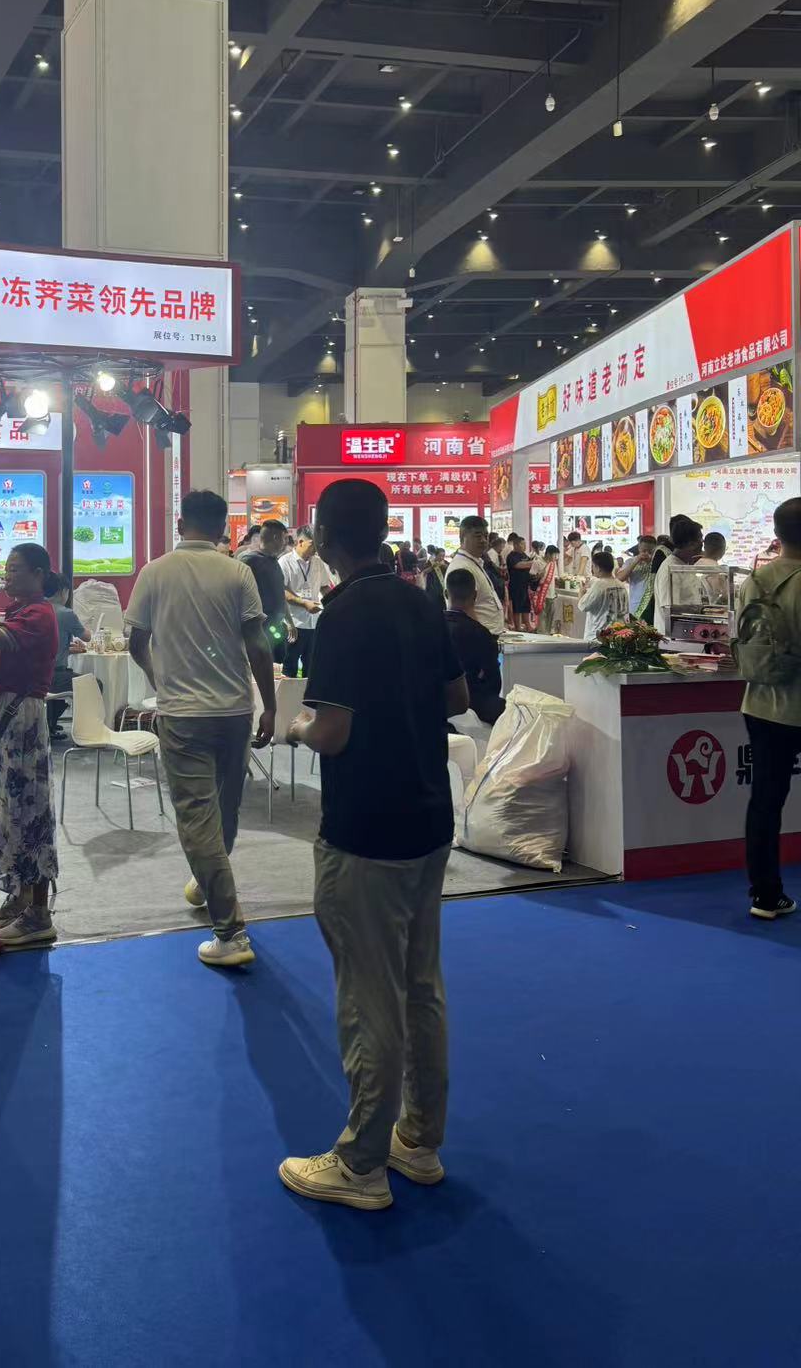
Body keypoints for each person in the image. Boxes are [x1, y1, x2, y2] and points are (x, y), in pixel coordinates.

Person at [280, 479, 468, 1210]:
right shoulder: (420, 600)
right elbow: (456, 698)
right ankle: (418, 1140)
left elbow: (332, 732)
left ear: (326, 539)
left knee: (368, 997)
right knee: (421, 986)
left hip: (365, 826)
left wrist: (297, 726)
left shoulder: (342, 615)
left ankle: (361, 1162)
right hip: (428, 818)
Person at [127, 489, 275, 968]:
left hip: (183, 715)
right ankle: (207, 878)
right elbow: (258, 644)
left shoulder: (154, 572)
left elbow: (136, 642)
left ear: (180, 523)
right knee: (225, 811)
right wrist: (270, 706)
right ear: (223, 528)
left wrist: (157, 677)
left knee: (196, 818)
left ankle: (230, 932)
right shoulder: (237, 572)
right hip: (234, 712)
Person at [0, 543, 60, 947]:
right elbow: (10, 656)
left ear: (39, 574)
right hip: (8, 717)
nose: (8, 575)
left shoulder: (39, 613)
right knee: (8, 810)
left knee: (28, 812)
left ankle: (38, 914)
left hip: (22, 724)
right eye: (7, 568)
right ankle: (19, 899)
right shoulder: (22, 611)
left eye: (16, 569)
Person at [738, 497, 801, 920]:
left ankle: (765, 894)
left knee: (765, 801)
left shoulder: (754, 580)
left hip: (760, 704)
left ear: (776, 535)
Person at [443, 569, 504, 727]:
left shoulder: (428, 627)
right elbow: (494, 684)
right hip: (474, 706)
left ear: (446, 593)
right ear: (475, 595)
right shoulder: (482, 634)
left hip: (434, 705)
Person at [280, 526, 329, 677]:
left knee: (311, 667)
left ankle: (306, 692)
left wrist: (334, 601)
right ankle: (288, 693)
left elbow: (324, 587)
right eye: (312, 545)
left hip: (314, 622)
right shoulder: (285, 562)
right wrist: (304, 603)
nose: (315, 549)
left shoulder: (318, 563)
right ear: (300, 542)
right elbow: (282, 591)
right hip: (293, 623)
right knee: (290, 667)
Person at [242, 518, 294, 658]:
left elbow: (280, 594)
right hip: (259, 629)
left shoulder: (274, 562)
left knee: (278, 664)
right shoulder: (248, 561)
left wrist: (289, 621)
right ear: (276, 538)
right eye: (284, 538)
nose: (286, 543)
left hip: (277, 627)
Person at [448, 515, 505, 638]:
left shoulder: (474, 562)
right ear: (463, 537)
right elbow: (462, 610)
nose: (483, 540)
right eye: (478, 536)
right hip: (476, 638)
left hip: (486, 636)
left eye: (486, 536)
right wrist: (479, 638)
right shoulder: (462, 567)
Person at [44, 573, 85, 740]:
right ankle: (85, 732)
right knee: (93, 684)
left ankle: (49, 724)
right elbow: (87, 636)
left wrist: (67, 649)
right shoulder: (65, 613)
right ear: (63, 591)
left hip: (36, 674)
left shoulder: (37, 609)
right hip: (53, 675)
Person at [652, 515, 704, 638]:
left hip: (688, 634)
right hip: (672, 637)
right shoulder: (670, 569)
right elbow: (669, 608)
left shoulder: (684, 565)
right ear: (691, 544)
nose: (702, 544)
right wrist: (700, 610)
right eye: (700, 540)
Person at [578, 548, 629, 642]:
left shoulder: (599, 585)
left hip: (598, 637)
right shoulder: (621, 585)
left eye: (593, 566)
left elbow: (583, 606)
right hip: (618, 636)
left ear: (598, 568)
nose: (592, 569)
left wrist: (581, 591)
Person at [617, 536, 656, 616]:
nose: (647, 554)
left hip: (653, 606)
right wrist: (635, 562)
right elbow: (619, 578)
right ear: (639, 548)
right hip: (635, 606)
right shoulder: (630, 561)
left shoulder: (657, 562)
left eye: (650, 552)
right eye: (644, 551)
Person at [506, 535, 534, 631]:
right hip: (516, 586)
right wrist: (532, 563)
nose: (525, 546)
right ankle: (517, 627)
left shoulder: (525, 555)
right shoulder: (512, 556)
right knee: (517, 607)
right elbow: (518, 565)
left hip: (525, 585)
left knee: (526, 606)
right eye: (522, 544)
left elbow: (531, 564)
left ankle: (528, 626)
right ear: (516, 545)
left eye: (525, 544)